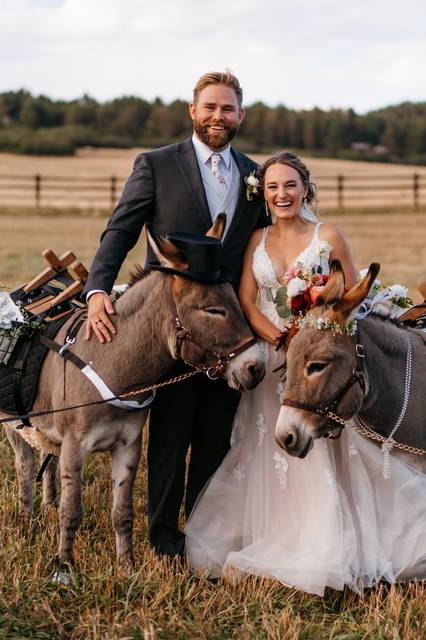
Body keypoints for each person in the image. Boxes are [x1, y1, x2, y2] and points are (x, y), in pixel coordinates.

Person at [184, 152, 426, 595]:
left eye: (290, 185)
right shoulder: (256, 239)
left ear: (305, 188)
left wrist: (312, 343)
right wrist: (281, 340)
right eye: (273, 187)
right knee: (269, 451)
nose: (282, 194)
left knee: (329, 453)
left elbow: (349, 306)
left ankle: (333, 544)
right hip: (275, 359)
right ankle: (277, 535)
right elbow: (247, 300)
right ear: (262, 193)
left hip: (318, 363)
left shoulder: (328, 235)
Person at [83, 71, 269, 557]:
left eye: (227, 109)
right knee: (170, 433)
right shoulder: (157, 165)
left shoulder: (255, 176)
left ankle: (203, 535)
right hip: (171, 325)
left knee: (216, 434)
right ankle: (164, 537)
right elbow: (119, 231)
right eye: (210, 107)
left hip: (229, 326)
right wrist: (97, 289)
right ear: (193, 111)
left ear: (240, 116)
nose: (218, 117)